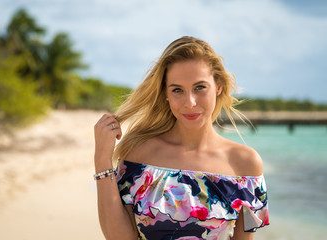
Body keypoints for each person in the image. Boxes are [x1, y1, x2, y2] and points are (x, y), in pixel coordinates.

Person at [94, 36, 269, 240]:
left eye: (200, 88)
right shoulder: (139, 155)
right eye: (177, 90)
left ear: (218, 86)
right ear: (166, 93)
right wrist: (101, 160)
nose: (190, 102)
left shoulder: (246, 165)